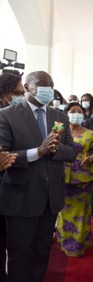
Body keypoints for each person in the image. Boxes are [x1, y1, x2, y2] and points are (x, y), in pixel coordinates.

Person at [0, 71, 77, 282]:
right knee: (20, 255)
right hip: (21, 199)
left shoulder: (59, 116)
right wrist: (38, 151)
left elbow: (72, 152)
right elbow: (3, 156)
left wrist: (54, 150)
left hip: (50, 199)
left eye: (51, 84)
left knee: (42, 252)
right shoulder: (7, 114)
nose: (48, 88)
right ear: (27, 87)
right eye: (43, 84)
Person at [55, 102, 93, 257]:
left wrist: (91, 157)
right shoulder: (58, 129)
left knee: (80, 212)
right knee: (62, 210)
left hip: (82, 179)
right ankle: (63, 239)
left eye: (79, 112)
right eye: (72, 111)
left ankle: (78, 244)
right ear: (66, 113)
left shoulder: (90, 133)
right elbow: (49, 145)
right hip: (60, 177)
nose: (76, 114)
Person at [0, 71, 22, 282]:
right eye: (17, 93)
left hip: (8, 195)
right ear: (3, 94)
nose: (21, 97)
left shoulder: (15, 116)